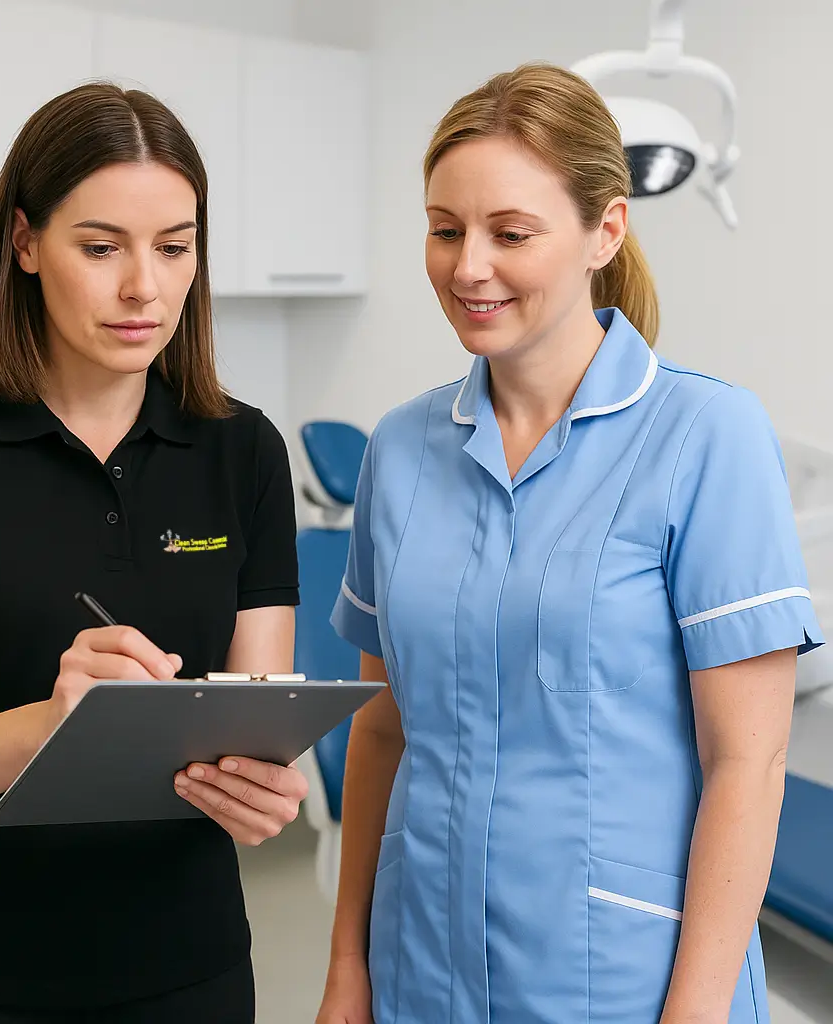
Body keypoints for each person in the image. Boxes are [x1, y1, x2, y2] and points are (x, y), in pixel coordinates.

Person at [315, 61, 823, 1024]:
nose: (469, 266)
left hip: (625, 981)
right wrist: (350, 964)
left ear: (606, 229)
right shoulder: (401, 448)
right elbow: (384, 726)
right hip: (419, 966)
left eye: (511, 234)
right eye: (444, 229)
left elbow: (745, 765)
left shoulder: (703, 436)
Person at [0, 82, 308, 1023]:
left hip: (190, 969)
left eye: (175, 248)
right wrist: (53, 726)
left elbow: (257, 717)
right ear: (24, 245)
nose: (145, 285)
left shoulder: (243, 451)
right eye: (100, 248)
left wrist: (262, 789)